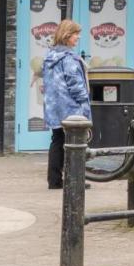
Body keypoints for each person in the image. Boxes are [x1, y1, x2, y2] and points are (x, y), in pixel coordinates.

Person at [42, 20, 92, 189]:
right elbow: (75, 83)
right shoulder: (68, 58)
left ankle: (54, 180)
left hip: (54, 107)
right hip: (71, 108)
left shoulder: (50, 57)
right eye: (76, 34)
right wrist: (84, 101)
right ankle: (74, 180)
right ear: (67, 35)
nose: (78, 37)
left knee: (57, 140)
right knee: (74, 144)